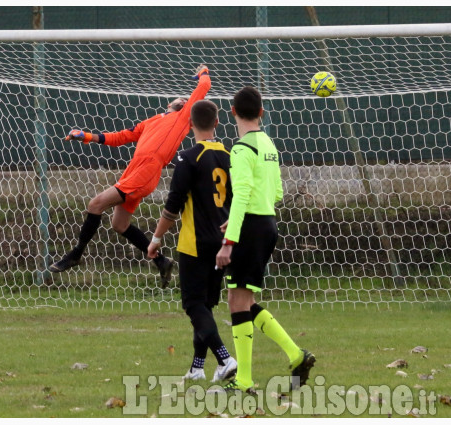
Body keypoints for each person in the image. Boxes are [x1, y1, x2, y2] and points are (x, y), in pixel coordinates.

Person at [50, 65, 212, 289]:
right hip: (134, 169)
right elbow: (120, 137)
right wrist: (85, 136)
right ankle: (161, 262)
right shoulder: (152, 121)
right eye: (181, 99)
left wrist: (203, 71)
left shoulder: (184, 118)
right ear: (168, 104)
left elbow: (204, 85)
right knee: (119, 224)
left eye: (187, 100)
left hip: (146, 171)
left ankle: (76, 254)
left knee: (95, 205)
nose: (184, 100)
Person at [215, 86, 315, 394]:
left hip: (251, 229)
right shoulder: (269, 144)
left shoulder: (242, 149)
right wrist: (246, 216)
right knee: (244, 301)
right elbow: (276, 193)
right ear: (261, 112)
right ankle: (297, 355)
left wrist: (229, 240)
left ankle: (244, 381)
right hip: (266, 222)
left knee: (236, 302)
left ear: (233, 112)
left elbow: (243, 193)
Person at [147, 99, 236, 382]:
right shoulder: (230, 156)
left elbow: (173, 205)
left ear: (189, 125)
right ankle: (197, 367)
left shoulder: (187, 157)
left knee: (193, 305)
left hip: (195, 243)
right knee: (205, 307)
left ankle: (224, 359)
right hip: (223, 242)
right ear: (217, 124)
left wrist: (156, 238)